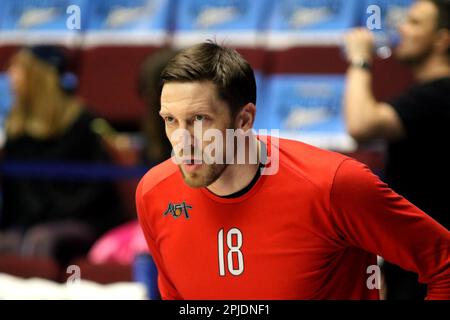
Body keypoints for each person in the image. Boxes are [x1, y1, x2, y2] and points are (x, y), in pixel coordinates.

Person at [135, 41, 450, 300]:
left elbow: (444, 264)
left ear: (243, 120)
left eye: (199, 120)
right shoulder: (154, 192)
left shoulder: (333, 184)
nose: (182, 141)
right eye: (170, 120)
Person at [343, 0, 450, 299]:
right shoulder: (430, 92)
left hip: (431, 264)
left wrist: (360, 60)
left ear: (443, 39)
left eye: (415, 23)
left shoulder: (439, 93)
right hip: (419, 260)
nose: (401, 28)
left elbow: (361, 126)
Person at [0, 45, 126, 265]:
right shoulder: (15, 128)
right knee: (8, 241)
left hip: (83, 219)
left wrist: (45, 218)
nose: (10, 77)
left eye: (17, 69)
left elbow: (95, 194)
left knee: (41, 239)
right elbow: (14, 194)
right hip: (30, 223)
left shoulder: (82, 123)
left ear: (38, 76)